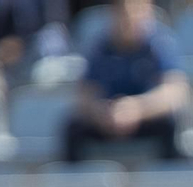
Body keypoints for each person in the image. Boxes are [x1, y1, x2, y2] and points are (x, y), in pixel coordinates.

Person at [61, 0, 186, 164]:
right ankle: (76, 185)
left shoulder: (160, 44)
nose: (129, 19)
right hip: (107, 119)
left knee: (170, 125)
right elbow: (85, 93)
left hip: (147, 119)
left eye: (136, 11)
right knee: (73, 128)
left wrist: (137, 108)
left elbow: (174, 92)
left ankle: (168, 184)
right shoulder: (101, 46)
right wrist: (101, 112)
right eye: (123, 13)